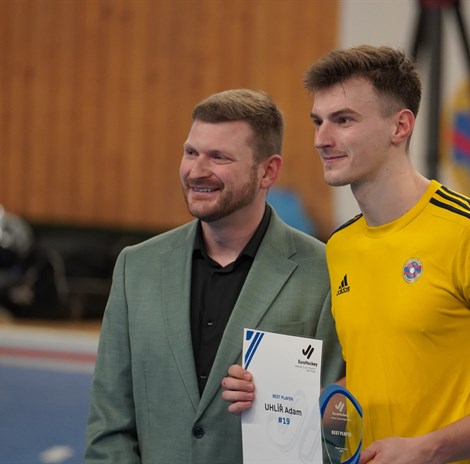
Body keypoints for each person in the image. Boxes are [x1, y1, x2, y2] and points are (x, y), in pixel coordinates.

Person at [225, 46, 470, 464]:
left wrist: (430, 448)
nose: (322, 139)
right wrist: (279, 399)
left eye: (343, 120)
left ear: (400, 126)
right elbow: (372, 381)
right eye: (318, 122)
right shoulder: (341, 247)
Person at [85, 89, 345, 463]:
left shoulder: (324, 273)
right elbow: (109, 427)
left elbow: (336, 429)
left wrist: (283, 402)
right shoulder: (136, 268)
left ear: (268, 171)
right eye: (191, 153)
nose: (196, 171)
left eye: (219, 157)